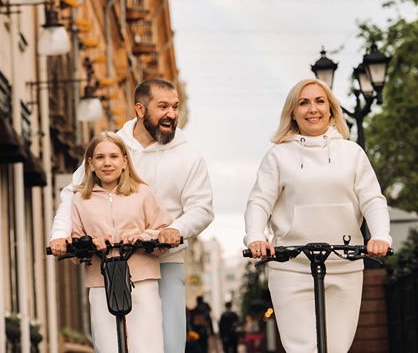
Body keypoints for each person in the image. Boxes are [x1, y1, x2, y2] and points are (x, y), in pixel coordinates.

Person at [50, 78, 214, 352]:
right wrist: (61, 235)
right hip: (111, 261)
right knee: (111, 341)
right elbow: (74, 192)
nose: (171, 114)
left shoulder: (189, 156)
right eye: (162, 106)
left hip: (166, 258)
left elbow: (202, 208)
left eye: (175, 107)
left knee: (169, 343)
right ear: (140, 109)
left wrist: (176, 229)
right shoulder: (111, 148)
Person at [243, 78, 392, 353]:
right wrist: (255, 237)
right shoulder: (278, 156)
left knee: (336, 348)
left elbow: (372, 199)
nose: (313, 109)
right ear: (293, 112)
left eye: (319, 101)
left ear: (331, 109)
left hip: (344, 264)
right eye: (304, 102)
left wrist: (381, 236)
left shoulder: (352, 153)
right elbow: (259, 202)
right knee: (303, 348)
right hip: (291, 266)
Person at [63, 132, 172, 353]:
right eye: (100, 157)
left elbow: (164, 231)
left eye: (113, 157)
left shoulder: (142, 193)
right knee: (108, 346)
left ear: (124, 161)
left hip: (141, 280)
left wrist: (142, 237)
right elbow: (74, 243)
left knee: (147, 346)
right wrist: (90, 242)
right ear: (91, 164)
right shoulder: (79, 199)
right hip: (101, 281)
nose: (107, 163)